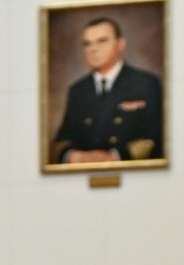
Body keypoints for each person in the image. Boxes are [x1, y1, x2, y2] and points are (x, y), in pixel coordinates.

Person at [50, 16, 163, 165]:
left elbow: (155, 138)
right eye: (87, 44)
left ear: (120, 44)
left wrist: (115, 156)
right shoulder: (78, 90)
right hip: (83, 176)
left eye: (102, 41)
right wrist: (71, 155)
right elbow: (62, 141)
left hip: (132, 174)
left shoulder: (145, 83)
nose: (93, 49)